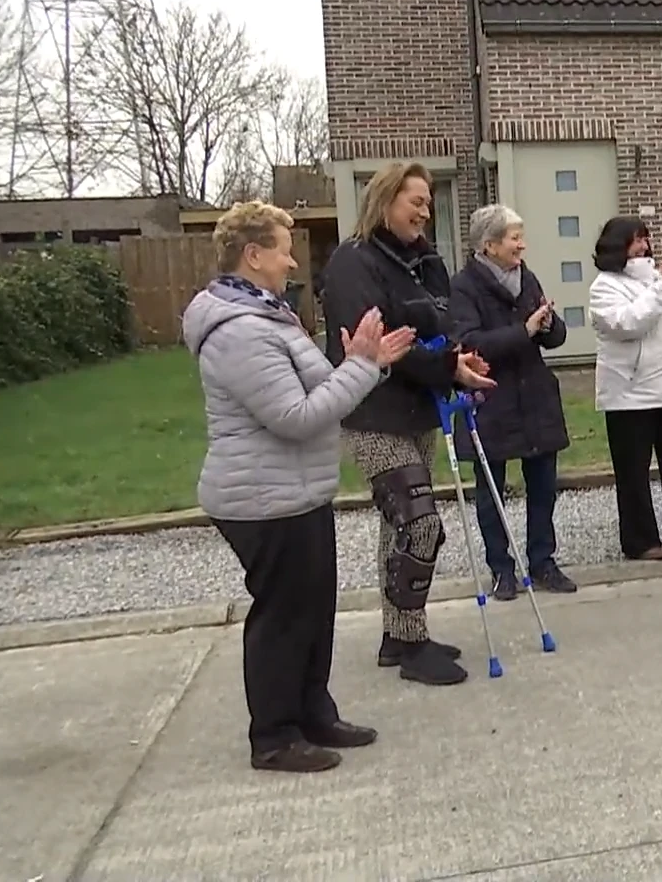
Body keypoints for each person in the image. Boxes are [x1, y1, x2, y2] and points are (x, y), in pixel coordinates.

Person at [183, 201, 412, 773]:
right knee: (283, 616)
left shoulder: (270, 315)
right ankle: (275, 737)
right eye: (284, 249)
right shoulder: (239, 332)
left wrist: (368, 362)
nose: (292, 261)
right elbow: (296, 416)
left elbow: (322, 387)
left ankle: (313, 712)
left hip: (297, 491)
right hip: (261, 499)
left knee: (314, 610)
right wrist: (360, 369)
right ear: (253, 255)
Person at [319, 160, 495, 687]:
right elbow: (380, 343)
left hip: (421, 409)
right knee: (420, 523)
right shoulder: (354, 262)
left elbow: (439, 328)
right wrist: (442, 365)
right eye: (414, 199)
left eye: (427, 201)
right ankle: (412, 645)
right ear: (384, 199)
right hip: (374, 412)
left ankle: (399, 634)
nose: (424, 209)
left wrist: (459, 362)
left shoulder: (428, 262)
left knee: (398, 525)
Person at [448, 204, 578, 599]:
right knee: (491, 491)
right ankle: (501, 568)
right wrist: (523, 330)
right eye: (514, 238)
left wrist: (550, 324)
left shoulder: (527, 277)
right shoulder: (464, 286)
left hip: (534, 395)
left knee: (543, 486)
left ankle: (542, 561)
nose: (522, 245)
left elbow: (552, 338)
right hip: (490, 398)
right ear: (488, 245)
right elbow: (470, 343)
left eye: (521, 236)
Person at [589, 216, 662, 559]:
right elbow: (628, 324)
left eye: (645, 239)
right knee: (633, 475)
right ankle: (641, 541)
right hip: (629, 396)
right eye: (635, 240)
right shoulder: (605, 286)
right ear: (617, 246)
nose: (644, 247)